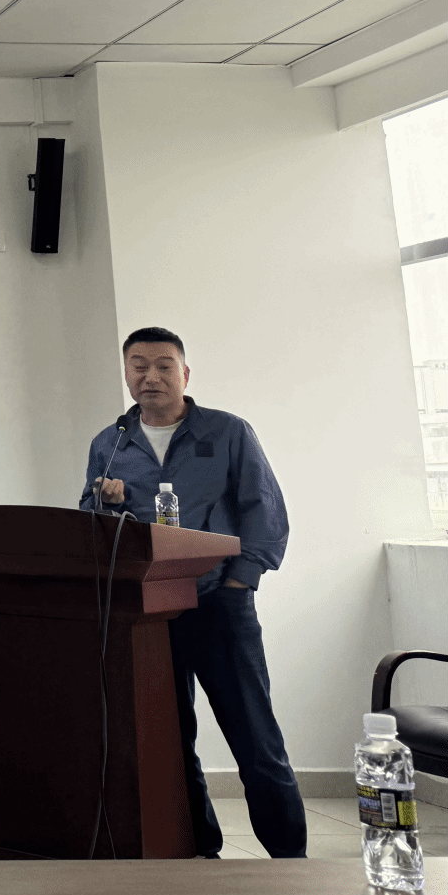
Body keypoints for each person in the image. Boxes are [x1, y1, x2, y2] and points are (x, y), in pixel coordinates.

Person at [81, 326, 305, 859]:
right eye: (138, 365)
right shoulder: (110, 444)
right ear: (126, 373)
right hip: (148, 610)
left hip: (218, 603)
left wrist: (239, 581)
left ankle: (291, 862)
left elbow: (264, 511)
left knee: (256, 739)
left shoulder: (227, 432)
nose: (150, 376)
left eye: (163, 365)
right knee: (170, 742)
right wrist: (105, 505)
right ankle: (199, 851)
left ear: (184, 373)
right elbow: (89, 524)